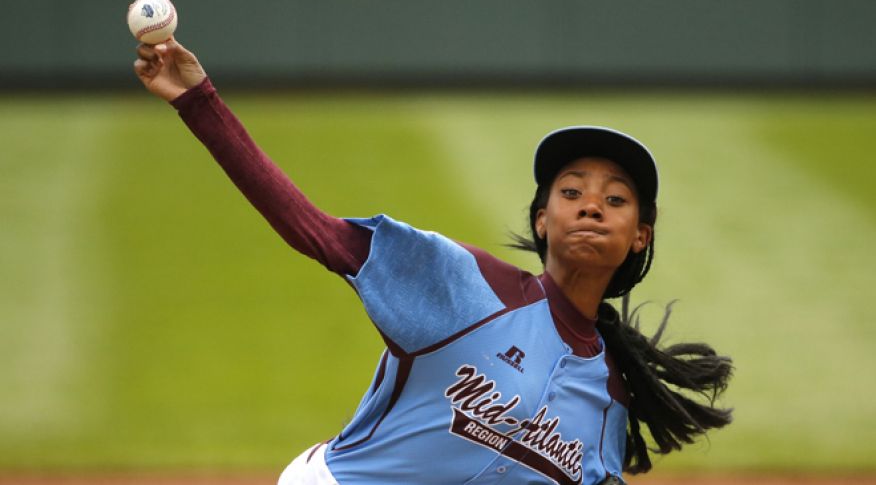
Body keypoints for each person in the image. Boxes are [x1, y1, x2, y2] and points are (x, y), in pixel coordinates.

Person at [133, 38, 733, 485]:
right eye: (571, 192)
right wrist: (197, 101)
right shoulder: (466, 288)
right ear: (542, 220)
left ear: (640, 236)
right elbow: (311, 230)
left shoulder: (606, 394)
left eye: (616, 199)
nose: (592, 207)